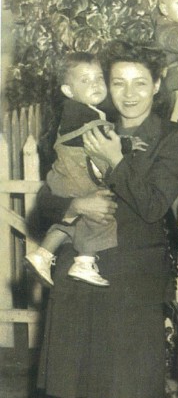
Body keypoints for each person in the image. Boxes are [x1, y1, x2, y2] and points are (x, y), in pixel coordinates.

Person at [36, 40, 178, 398]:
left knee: (140, 382)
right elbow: (44, 201)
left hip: (137, 268)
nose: (128, 94)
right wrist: (73, 207)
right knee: (89, 379)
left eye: (140, 83)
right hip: (82, 265)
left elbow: (152, 206)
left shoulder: (176, 138)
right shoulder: (80, 125)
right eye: (118, 82)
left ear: (158, 83)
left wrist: (117, 160)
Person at [27, 53, 117, 288]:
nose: (95, 84)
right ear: (68, 91)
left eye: (99, 78)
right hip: (76, 175)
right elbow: (101, 144)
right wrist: (126, 146)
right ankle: (85, 262)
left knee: (73, 220)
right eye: (85, 80)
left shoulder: (84, 110)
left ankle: (43, 254)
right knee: (101, 213)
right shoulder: (80, 113)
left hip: (64, 176)